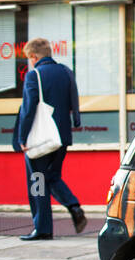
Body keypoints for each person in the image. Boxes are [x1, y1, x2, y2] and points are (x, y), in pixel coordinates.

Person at [13, 37, 85, 241]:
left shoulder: (34, 75)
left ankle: (42, 227)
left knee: (38, 181)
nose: (30, 62)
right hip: (61, 137)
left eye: (29, 58)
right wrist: (76, 122)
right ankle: (73, 205)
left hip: (40, 139)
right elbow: (74, 100)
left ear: (34, 57)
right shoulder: (66, 72)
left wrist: (23, 137)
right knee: (52, 177)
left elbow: (28, 109)